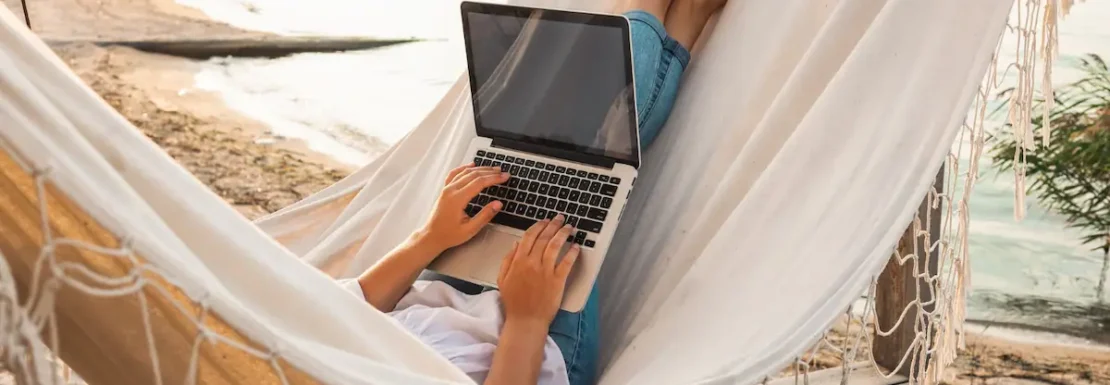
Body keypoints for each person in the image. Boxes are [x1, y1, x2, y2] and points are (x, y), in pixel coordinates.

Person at [339, 0, 726, 383]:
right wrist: (527, 318)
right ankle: (666, 11)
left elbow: (346, 309)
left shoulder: (285, 356)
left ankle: (680, 23)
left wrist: (430, 236)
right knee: (589, 155)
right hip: (526, 353)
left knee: (520, 155)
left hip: (423, 310)